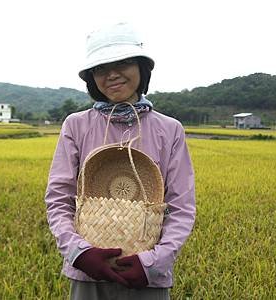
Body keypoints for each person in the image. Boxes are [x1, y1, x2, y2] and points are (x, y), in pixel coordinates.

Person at [45, 22, 196, 299]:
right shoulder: (76, 125)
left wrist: (152, 263)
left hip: (147, 278)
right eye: (101, 68)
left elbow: (181, 207)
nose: (112, 75)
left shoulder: (170, 129)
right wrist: (80, 253)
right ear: (92, 77)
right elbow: (58, 198)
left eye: (123, 63)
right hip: (88, 274)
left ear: (141, 67)